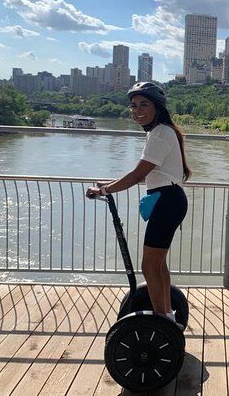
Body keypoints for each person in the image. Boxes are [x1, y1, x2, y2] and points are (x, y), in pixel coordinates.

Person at [86, 82, 190, 322]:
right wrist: (107, 186)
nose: (137, 110)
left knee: (149, 266)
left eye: (144, 104)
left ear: (157, 107)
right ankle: (167, 315)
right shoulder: (160, 132)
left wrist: (104, 191)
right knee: (158, 264)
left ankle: (163, 320)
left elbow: (137, 175)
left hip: (167, 202)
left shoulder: (161, 134)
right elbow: (143, 173)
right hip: (168, 199)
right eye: (133, 106)